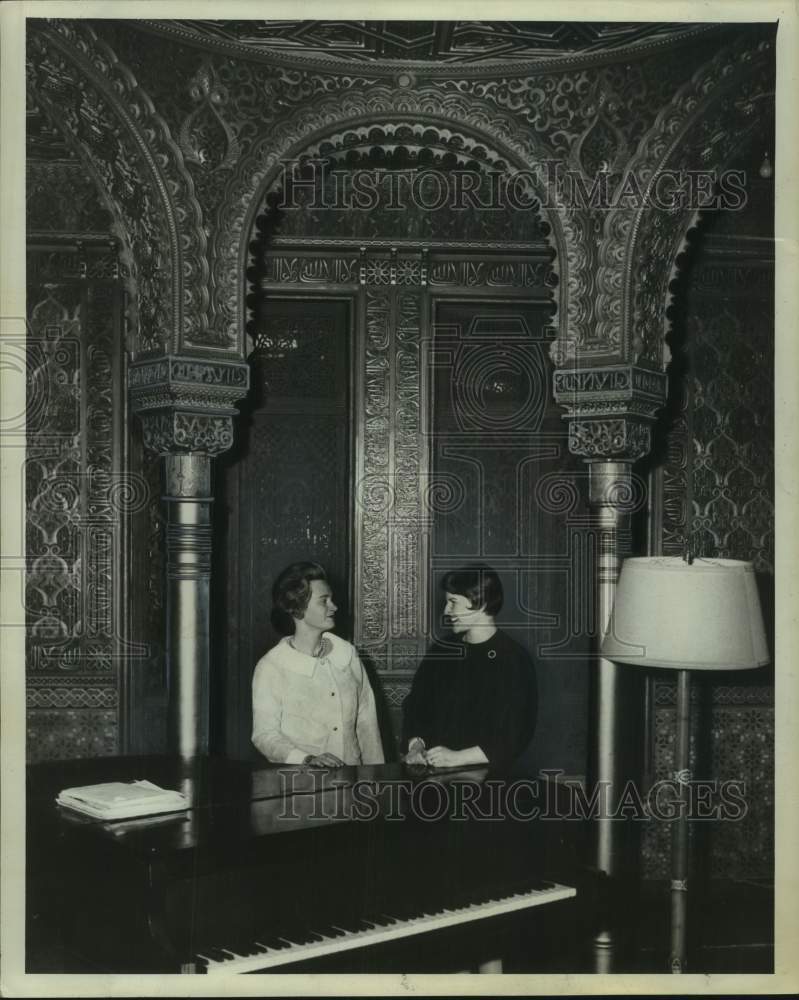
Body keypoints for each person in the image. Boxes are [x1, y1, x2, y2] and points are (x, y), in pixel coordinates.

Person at [402, 566, 537, 772]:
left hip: (491, 783)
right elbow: (416, 706)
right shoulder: (441, 650)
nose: (446, 610)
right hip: (434, 776)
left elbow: (516, 732)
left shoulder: (513, 659)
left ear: (481, 604)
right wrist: (416, 744)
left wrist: (458, 758)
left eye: (453, 602)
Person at [252, 561, 385, 766]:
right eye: (324, 601)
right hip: (298, 787)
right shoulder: (272, 666)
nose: (334, 606)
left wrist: (377, 783)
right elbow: (264, 735)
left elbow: (368, 726)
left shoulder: (347, 655)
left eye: (331, 599)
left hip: (352, 784)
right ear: (298, 607)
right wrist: (306, 759)